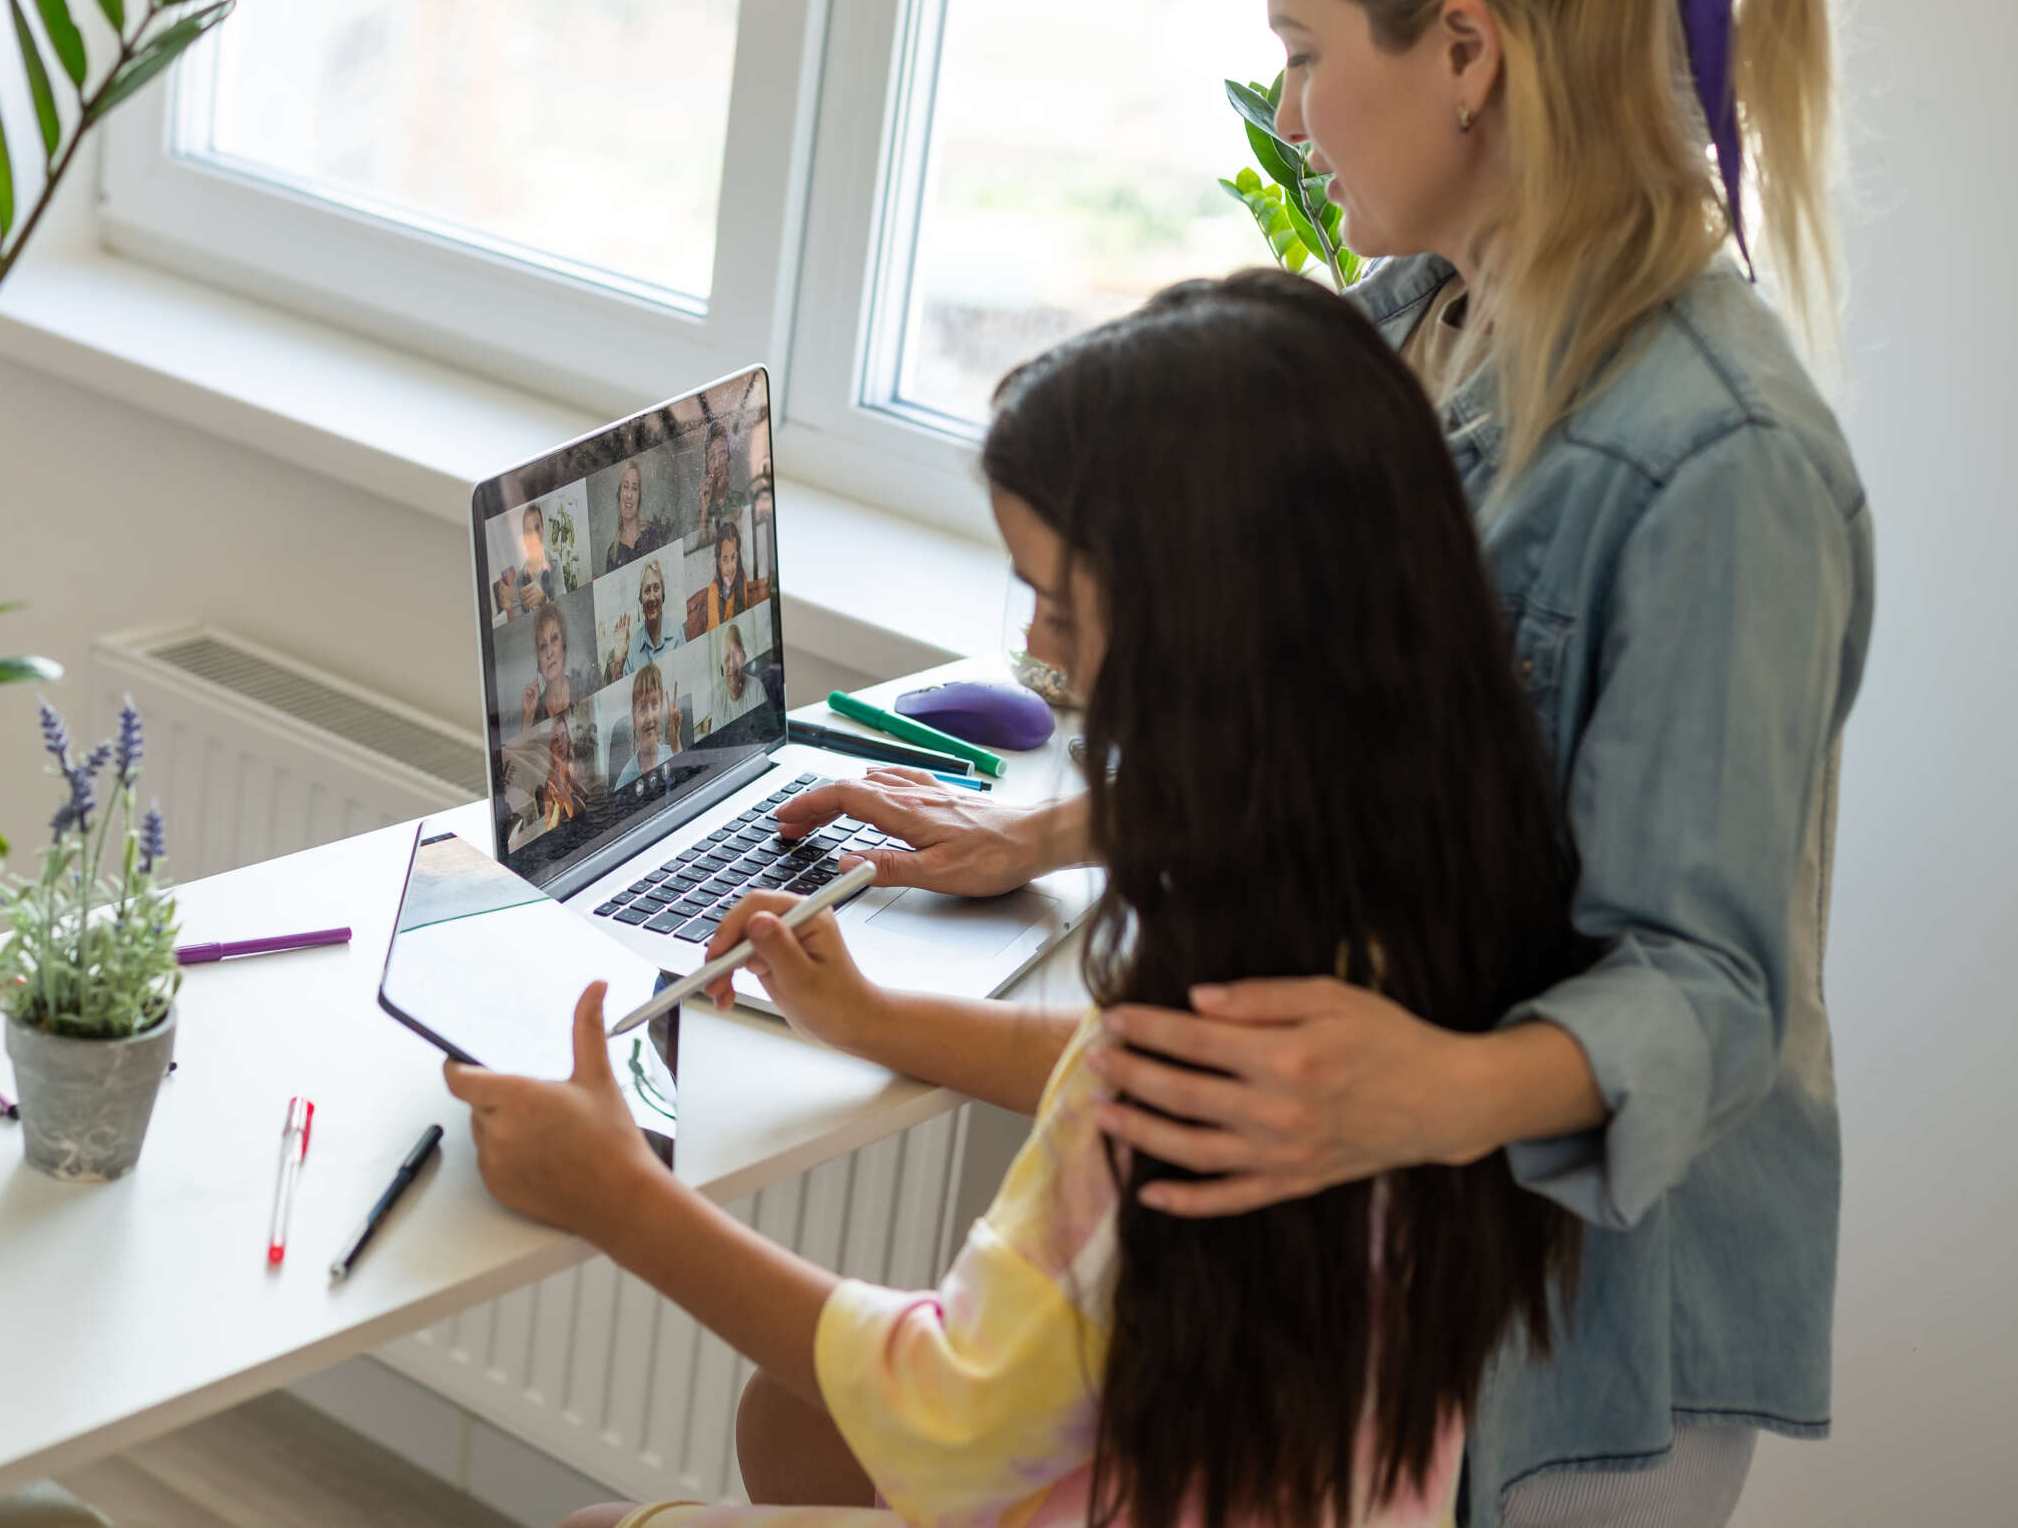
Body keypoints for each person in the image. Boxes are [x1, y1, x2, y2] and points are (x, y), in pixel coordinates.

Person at [771, 0, 1872, 1523]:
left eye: (1301, 52)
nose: (1286, 111)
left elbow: (1709, 986)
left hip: (1569, 1340)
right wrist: (1053, 837)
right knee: (809, 1431)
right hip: (1381, 1252)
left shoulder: (1721, 460)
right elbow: (1366, 718)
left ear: (1462, 50)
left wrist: (1434, 1087)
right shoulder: (1411, 326)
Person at [447, 276, 1596, 1528]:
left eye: (1062, 601)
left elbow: (953, 1416)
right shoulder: (1430, 910)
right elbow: (1146, 1064)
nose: (1044, 650)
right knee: (793, 1421)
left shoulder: (1179, 1077)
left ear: (1203, 638)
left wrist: (619, 1194)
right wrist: (876, 1022)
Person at [504, 712, 591, 852]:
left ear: (569, 739)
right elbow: (550, 826)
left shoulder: (576, 769)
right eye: (556, 739)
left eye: (564, 736)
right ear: (550, 746)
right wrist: (558, 805)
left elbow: (583, 809)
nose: (561, 743)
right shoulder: (550, 782)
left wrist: (564, 796)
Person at [611, 660, 684, 794]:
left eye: (654, 704)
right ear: (634, 717)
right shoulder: (625, 778)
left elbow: (689, 789)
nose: (649, 717)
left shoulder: (673, 752)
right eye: (642, 708)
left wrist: (676, 746)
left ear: (661, 708)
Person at [686, 521, 765, 640]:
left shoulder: (741, 577)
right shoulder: (713, 591)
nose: (730, 567)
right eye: (725, 559)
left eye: (733, 557)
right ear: (718, 562)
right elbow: (716, 635)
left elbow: (744, 614)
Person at [515, 602, 583, 730]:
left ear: (564, 646)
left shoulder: (583, 688)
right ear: (538, 661)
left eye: (554, 638)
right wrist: (528, 717)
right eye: (543, 646)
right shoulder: (534, 710)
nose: (549, 653)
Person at [603, 458, 670, 576]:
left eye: (634, 488)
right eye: (625, 486)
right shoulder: (612, 553)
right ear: (619, 494)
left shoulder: (653, 532)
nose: (629, 495)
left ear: (639, 497)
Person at [494, 503, 560, 620]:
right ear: (524, 538)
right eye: (529, 532)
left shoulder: (554, 564)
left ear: (543, 529)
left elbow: (562, 611)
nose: (534, 536)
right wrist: (509, 611)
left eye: (537, 528)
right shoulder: (518, 580)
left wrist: (544, 600)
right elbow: (518, 626)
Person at [706, 623, 766, 737]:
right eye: (727, 658)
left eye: (736, 655)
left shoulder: (756, 688)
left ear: (743, 657)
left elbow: (764, 734)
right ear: (721, 667)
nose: (732, 664)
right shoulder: (719, 701)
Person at [625, 559, 683, 672]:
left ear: (663, 595)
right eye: (647, 591)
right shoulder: (632, 647)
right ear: (640, 599)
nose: (652, 597)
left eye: (656, 588)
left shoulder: (677, 630)